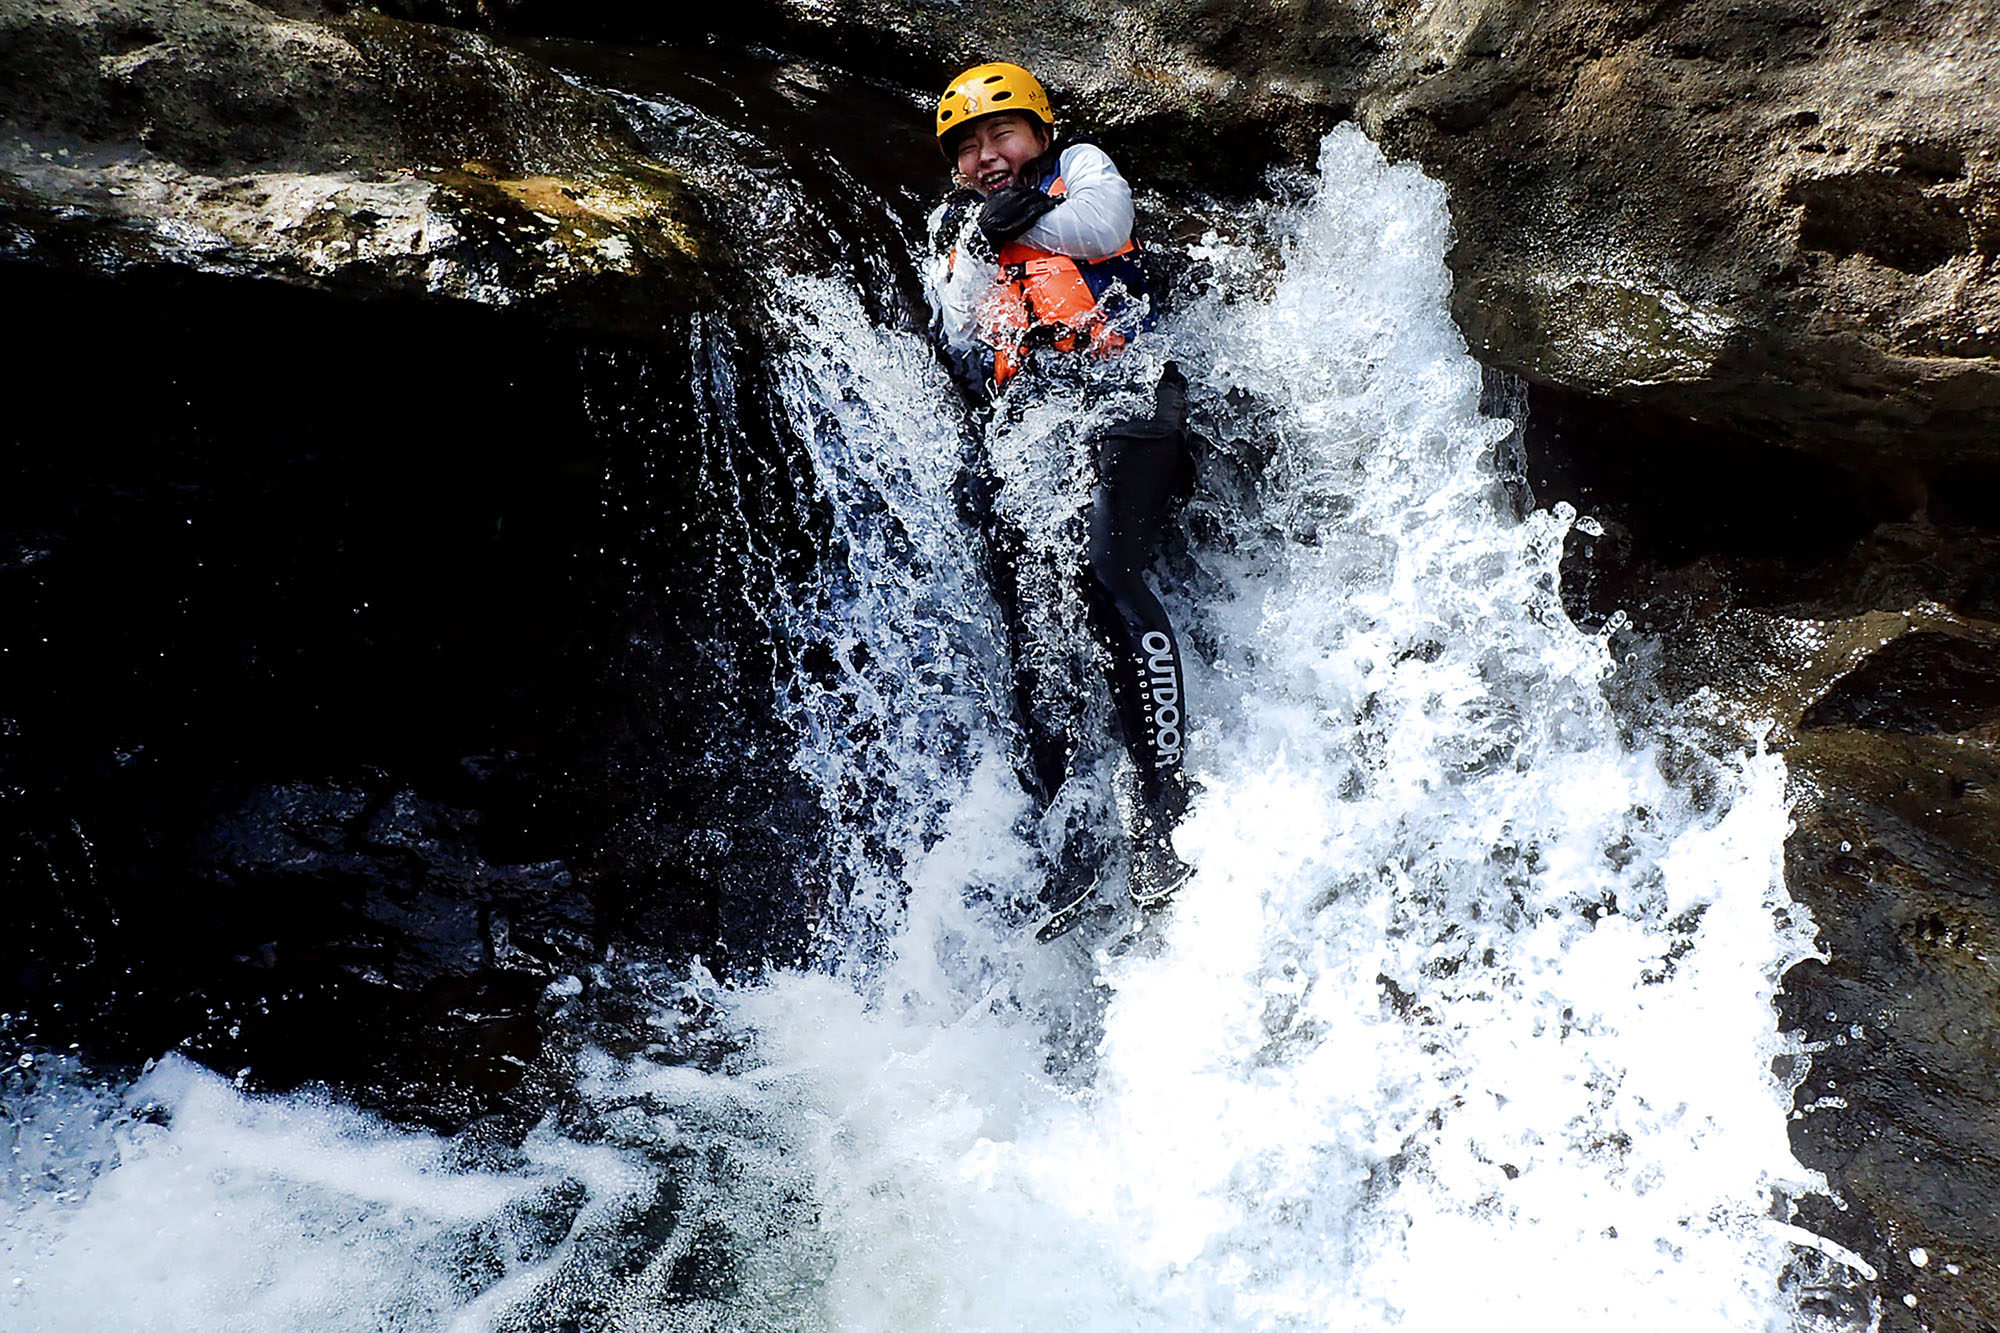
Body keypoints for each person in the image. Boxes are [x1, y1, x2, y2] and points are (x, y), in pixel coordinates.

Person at [922, 61, 1195, 938]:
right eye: (967, 148)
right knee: (1023, 609)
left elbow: (1106, 223)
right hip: (1042, 418)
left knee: (1103, 569)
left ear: (1036, 133)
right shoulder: (960, 233)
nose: (986, 155)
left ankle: (1163, 813)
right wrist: (981, 249)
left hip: (1132, 393)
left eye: (1001, 134)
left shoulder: (1079, 165)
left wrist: (1025, 217)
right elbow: (966, 341)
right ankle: (1068, 834)